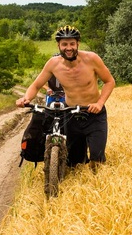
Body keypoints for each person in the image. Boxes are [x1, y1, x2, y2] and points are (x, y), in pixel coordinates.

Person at [16, 25, 115, 171]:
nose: (68, 48)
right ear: (59, 45)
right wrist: (26, 98)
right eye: (64, 44)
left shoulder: (92, 59)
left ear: (77, 44)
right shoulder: (53, 64)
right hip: (70, 115)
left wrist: (100, 103)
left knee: (97, 159)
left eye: (72, 44)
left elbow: (109, 81)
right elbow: (36, 85)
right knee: (74, 163)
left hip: (94, 114)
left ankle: (97, 184)